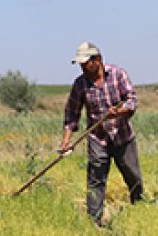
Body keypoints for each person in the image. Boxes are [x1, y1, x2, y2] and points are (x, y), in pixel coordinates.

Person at [60, 41, 144, 225]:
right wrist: (66, 141)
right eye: (80, 64)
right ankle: (94, 222)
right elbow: (72, 113)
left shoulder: (117, 74)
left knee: (133, 175)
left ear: (97, 59)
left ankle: (141, 211)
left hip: (122, 136)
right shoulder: (80, 84)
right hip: (98, 138)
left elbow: (132, 100)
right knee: (95, 180)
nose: (82, 67)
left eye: (85, 63)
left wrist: (119, 112)